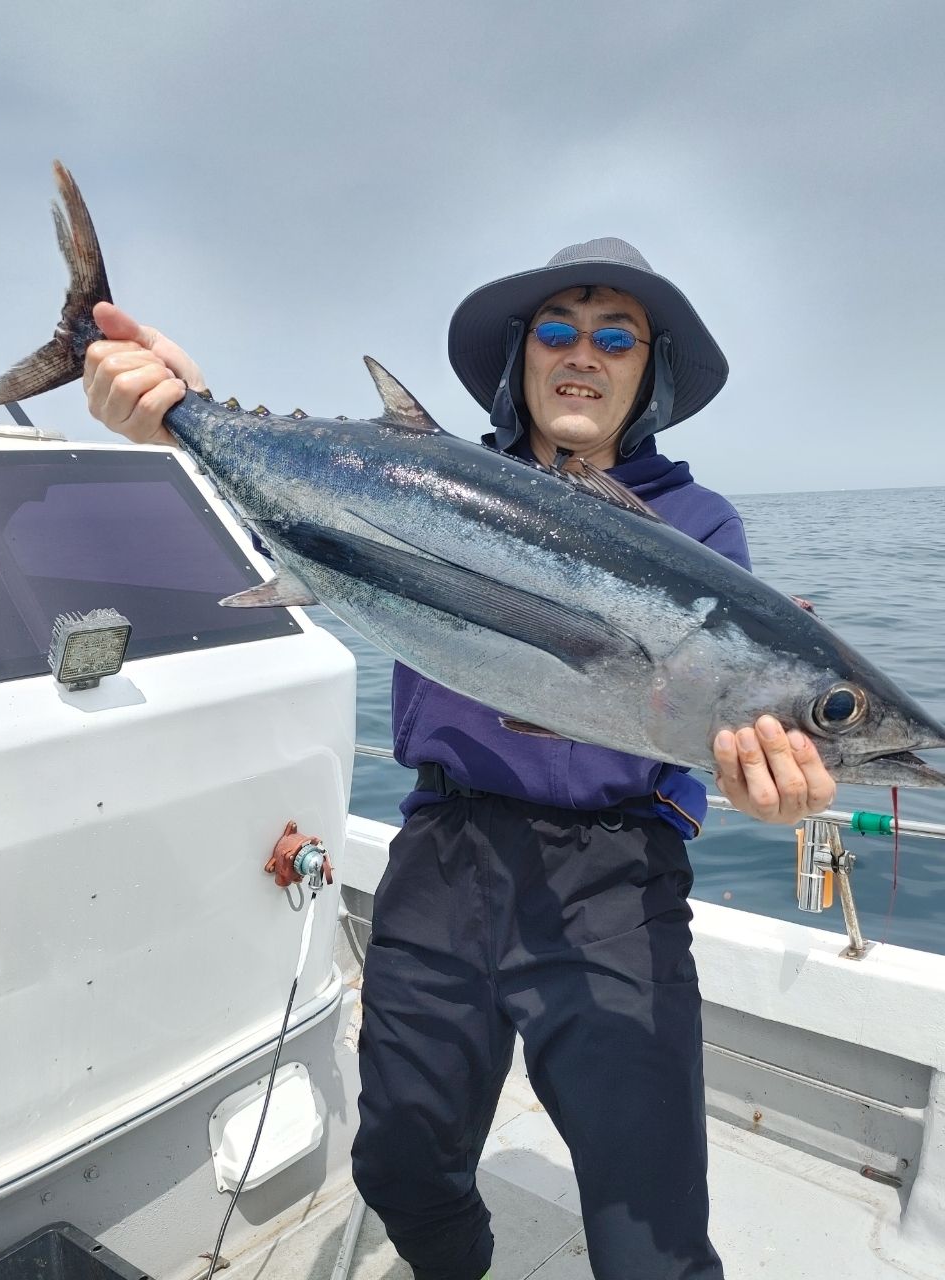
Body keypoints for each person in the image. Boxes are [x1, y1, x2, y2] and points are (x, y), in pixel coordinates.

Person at [83, 238, 838, 1280]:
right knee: (397, 1163)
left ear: (648, 369)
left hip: (617, 884)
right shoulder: (411, 474)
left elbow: (722, 707)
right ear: (520, 357)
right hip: (444, 852)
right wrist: (179, 409)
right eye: (560, 331)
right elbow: (277, 526)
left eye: (616, 335)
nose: (585, 353)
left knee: (653, 1235)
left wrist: (773, 789)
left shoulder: (699, 526)